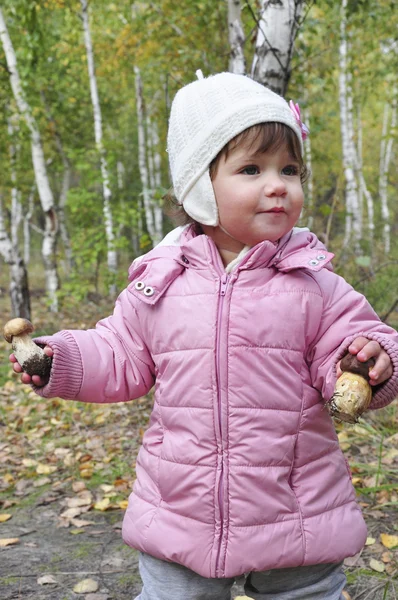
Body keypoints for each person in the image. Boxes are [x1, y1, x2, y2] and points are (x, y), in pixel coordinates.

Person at [10, 71, 398, 600]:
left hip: (295, 508)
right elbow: (121, 351)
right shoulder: (160, 281)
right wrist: (60, 361)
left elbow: (355, 341)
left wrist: (370, 363)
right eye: (251, 169)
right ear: (199, 187)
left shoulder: (316, 286)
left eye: (290, 168)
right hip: (182, 507)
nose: (279, 183)